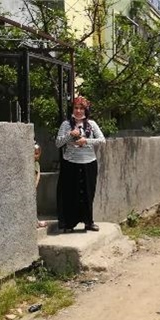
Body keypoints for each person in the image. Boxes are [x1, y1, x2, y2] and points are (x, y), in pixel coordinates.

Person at [55, 96, 105, 233]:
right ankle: (68, 223)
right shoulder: (66, 124)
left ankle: (89, 222)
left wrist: (86, 141)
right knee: (70, 193)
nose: (78, 111)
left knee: (88, 193)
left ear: (86, 110)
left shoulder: (92, 125)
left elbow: (102, 140)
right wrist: (70, 135)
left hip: (89, 162)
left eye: (81, 108)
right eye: (76, 108)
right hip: (70, 163)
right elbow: (58, 143)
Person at [34, 142, 47, 228]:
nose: (37, 156)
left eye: (38, 154)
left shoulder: (36, 164)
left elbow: (38, 175)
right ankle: (35, 221)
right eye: (35, 154)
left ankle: (36, 221)